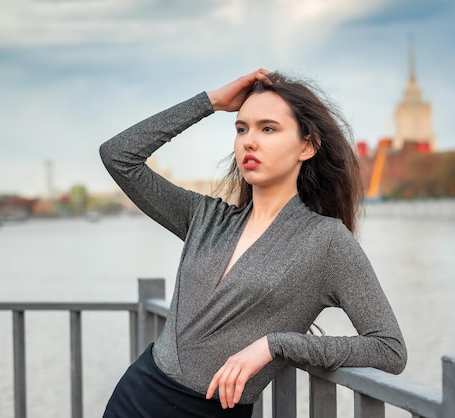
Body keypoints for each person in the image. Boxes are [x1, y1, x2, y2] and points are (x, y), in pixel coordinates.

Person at [99, 69, 406, 417]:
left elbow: (389, 349)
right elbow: (117, 156)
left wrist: (276, 345)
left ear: (307, 145)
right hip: (135, 397)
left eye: (268, 128)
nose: (249, 141)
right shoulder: (205, 217)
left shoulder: (326, 241)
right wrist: (211, 102)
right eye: (241, 128)